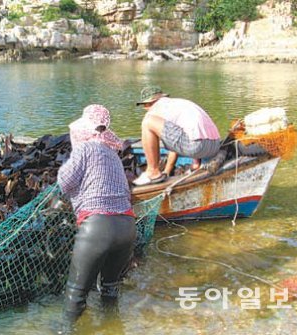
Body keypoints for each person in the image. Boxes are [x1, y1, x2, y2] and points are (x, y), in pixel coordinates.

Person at [57, 104, 136, 324]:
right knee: (110, 289)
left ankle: (65, 330)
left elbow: (65, 182)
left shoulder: (85, 149)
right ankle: (112, 326)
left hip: (99, 228)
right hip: (127, 227)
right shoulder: (113, 155)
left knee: (76, 294)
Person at [133, 85, 221, 186]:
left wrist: (164, 172)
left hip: (197, 146)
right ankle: (196, 164)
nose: (145, 108)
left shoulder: (156, 109)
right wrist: (166, 172)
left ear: (148, 104)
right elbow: (182, 136)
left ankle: (152, 171)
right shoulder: (178, 103)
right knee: (188, 130)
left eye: (145, 106)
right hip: (214, 145)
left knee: (147, 122)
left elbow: (174, 147)